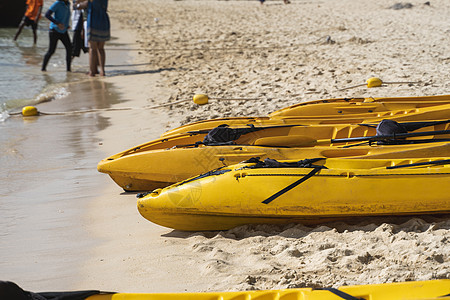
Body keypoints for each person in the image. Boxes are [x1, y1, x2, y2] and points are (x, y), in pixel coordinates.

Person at [76, 0, 110, 76]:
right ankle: (102, 71)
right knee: (101, 48)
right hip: (104, 21)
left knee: (92, 48)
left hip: (93, 21)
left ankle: (92, 71)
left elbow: (80, 6)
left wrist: (77, 4)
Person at [41, 0, 72, 72]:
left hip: (63, 31)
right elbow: (47, 14)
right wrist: (57, 23)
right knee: (51, 51)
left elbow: (66, 16)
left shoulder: (68, 4)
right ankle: (43, 69)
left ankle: (68, 69)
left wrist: (67, 25)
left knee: (69, 48)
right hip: (54, 31)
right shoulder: (57, 3)